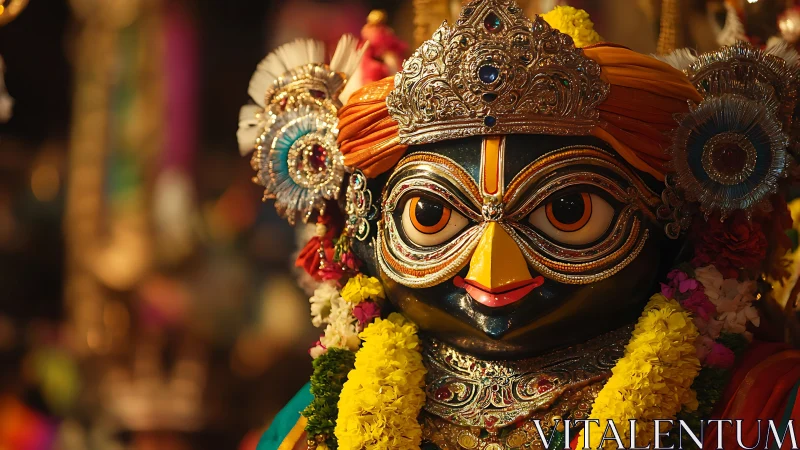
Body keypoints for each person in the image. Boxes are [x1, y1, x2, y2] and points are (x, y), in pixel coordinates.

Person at [238, 1, 800, 448]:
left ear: (672, 214)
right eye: (431, 215)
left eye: (567, 211)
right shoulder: (320, 420)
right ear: (364, 222)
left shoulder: (761, 404)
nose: (492, 266)